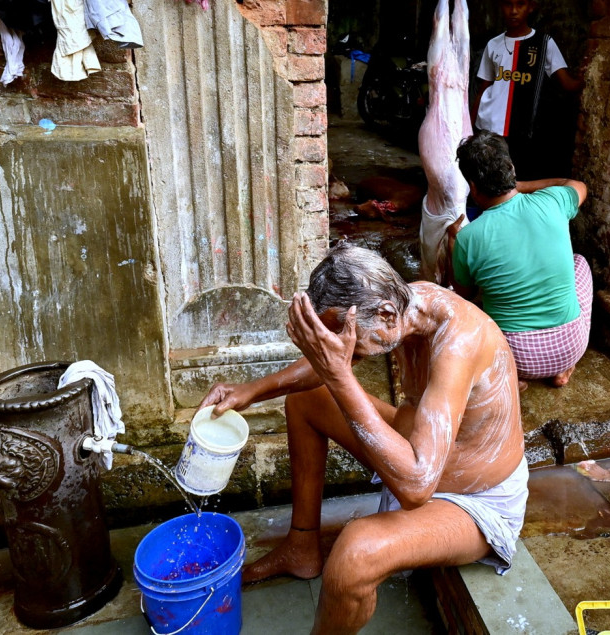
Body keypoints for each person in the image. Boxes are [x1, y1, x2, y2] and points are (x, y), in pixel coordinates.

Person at [199, 243, 526, 635]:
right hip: (416, 457)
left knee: (355, 552)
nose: (346, 351)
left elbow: (416, 486)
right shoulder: (404, 305)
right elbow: (331, 362)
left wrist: (338, 375)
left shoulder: (460, 341)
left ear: (387, 314)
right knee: (306, 400)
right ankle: (302, 547)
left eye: (346, 338)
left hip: (474, 501)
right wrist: (252, 390)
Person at [450, 132, 591, 389]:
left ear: (472, 187)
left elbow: (465, 294)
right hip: (570, 345)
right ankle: (563, 370)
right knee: (579, 262)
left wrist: (451, 248)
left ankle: (516, 377)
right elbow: (576, 184)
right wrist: (521, 186)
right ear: (511, 169)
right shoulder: (553, 202)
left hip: (514, 357)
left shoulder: (467, 238)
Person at [470, 0, 583, 181]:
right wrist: (468, 128)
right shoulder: (493, 44)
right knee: (488, 179)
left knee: (516, 180)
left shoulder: (544, 43)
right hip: (490, 126)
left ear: (531, 7)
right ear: (501, 6)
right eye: (508, 4)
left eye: (520, 4)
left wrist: (588, 75)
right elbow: (484, 88)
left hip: (522, 130)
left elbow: (567, 83)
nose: (514, 10)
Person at [418, 0, 472, 284]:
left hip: (458, 116)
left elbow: (461, 20)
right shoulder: (435, 66)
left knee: (454, 198)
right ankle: (442, 277)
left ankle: (446, 276)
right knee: (452, 196)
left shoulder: (464, 67)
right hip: (440, 120)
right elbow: (440, 23)